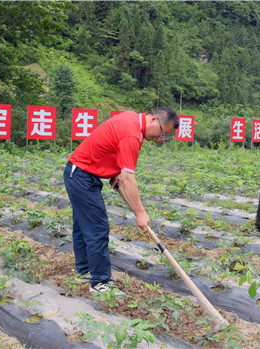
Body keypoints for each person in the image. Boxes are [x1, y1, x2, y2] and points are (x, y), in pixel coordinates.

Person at [63, 107, 179, 295]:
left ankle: (84, 271)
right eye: (161, 132)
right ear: (154, 119)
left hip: (78, 173)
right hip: (82, 176)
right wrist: (140, 213)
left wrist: (114, 172)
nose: (159, 138)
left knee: (82, 225)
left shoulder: (131, 118)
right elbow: (128, 178)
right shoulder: (132, 134)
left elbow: (111, 145)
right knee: (97, 228)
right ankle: (99, 282)